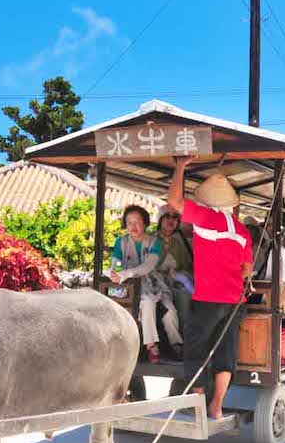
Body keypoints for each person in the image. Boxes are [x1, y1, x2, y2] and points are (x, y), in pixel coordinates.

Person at [168, 158, 253, 420]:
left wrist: (180, 166)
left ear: (208, 201)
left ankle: (198, 405)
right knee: (226, 352)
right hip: (234, 301)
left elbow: (174, 202)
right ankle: (216, 406)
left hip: (207, 299)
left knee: (196, 350)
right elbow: (247, 268)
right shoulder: (242, 231)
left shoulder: (205, 218)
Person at [108, 204, 183, 363]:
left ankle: (176, 345)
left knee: (170, 311)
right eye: (129, 223)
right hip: (128, 287)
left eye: (137, 222)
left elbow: (149, 266)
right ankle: (151, 347)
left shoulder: (155, 242)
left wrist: (126, 273)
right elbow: (114, 265)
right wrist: (114, 273)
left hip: (154, 284)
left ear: (145, 223)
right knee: (147, 302)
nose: (133, 226)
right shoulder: (121, 242)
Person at [155, 205, 194, 336]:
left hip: (173, 283)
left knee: (185, 296)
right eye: (167, 216)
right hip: (156, 283)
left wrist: (179, 275)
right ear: (160, 219)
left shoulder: (178, 243)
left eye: (175, 217)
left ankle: (185, 338)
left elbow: (185, 265)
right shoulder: (150, 239)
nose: (171, 220)